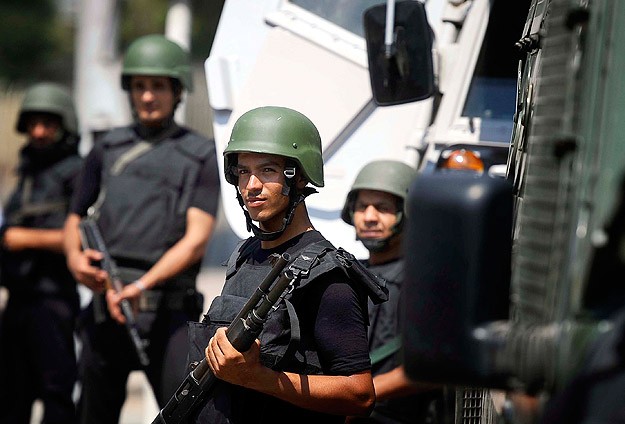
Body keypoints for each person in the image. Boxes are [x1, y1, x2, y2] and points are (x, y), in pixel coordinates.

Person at [186, 106, 387, 423]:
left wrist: (258, 377)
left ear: (299, 177)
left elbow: (360, 395)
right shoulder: (243, 256)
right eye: (243, 171)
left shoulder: (327, 273)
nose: (252, 185)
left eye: (267, 170)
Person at [63, 34, 220, 424]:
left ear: (177, 91)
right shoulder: (107, 148)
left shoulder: (200, 154)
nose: (148, 96)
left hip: (168, 310)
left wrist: (143, 285)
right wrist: (75, 261)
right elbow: (74, 217)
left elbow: (196, 239)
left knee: (186, 415)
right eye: (139, 86)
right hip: (108, 307)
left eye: (158, 86)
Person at [0, 82, 83, 424]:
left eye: (48, 123)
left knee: (56, 394)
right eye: (33, 123)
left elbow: (83, 236)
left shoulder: (77, 172)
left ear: (64, 126)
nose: (38, 132)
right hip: (19, 299)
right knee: (10, 396)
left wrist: (24, 238)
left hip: (53, 299)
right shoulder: (28, 170)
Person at [341, 159, 446, 423]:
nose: (369, 217)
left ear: (407, 212)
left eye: (383, 208)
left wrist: (351, 398)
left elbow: (431, 368)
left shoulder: (425, 279)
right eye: (362, 207)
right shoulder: (348, 273)